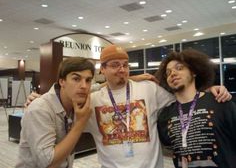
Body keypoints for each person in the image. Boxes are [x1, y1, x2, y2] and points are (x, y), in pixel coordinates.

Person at [24, 45, 231, 168]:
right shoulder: (92, 99)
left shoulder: (150, 89)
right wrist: (40, 99)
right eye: (114, 65)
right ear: (102, 70)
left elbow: (184, 95)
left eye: (125, 65)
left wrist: (210, 89)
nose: (121, 70)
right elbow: (65, 101)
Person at [157, 49, 236, 168]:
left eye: (179, 68)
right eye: (168, 73)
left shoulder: (220, 103)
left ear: (193, 72)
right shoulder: (165, 115)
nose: (172, 73)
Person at [16, 57, 95, 168]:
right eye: (76, 79)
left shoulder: (76, 101)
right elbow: (48, 163)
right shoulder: (40, 109)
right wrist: (80, 123)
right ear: (62, 81)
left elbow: (102, 86)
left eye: (88, 80)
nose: (84, 86)